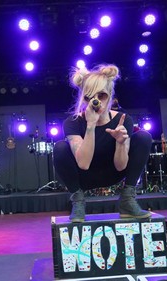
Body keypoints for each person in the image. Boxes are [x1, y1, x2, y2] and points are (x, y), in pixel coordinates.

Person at [53, 64, 152, 223]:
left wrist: (121, 143)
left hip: (114, 172)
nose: (96, 101)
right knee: (60, 148)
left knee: (143, 137)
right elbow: (83, 164)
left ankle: (127, 198)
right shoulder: (73, 122)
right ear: (84, 98)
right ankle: (78, 200)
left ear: (111, 95)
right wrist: (91, 125)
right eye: (90, 97)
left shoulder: (122, 119)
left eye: (102, 96)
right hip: (84, 176)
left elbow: (121, 166)